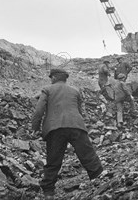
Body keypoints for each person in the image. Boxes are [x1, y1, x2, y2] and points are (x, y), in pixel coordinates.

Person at [31, 67, 103, 199]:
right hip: (76, 125)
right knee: (87, 154)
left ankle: (48, 192)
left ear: (53, 78)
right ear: (65, 78)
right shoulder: (75, 91)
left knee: (53, 160)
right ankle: (100, 180)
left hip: (55, 128)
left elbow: (39, 111)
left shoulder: (47, 89)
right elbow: (80, 111)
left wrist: (35, 128)